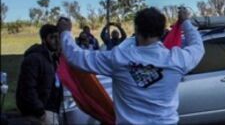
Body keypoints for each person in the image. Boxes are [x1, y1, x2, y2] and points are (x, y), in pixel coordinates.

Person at [57, 7, 204, 124]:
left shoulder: (119, 58)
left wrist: (65, 32)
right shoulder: (177, 59)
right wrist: (185, 21)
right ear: (161, 32)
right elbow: (198, 46)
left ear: (137, 30)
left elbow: (76, 56)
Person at [16, 23, 63, 125]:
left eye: (58, 37)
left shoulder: (53, 59)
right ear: (44, 40)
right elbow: (28, 89)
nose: (57, 41)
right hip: (41, 114)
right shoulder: (34, 59)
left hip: (52, 111)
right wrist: (40, 112)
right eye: (52, 37)